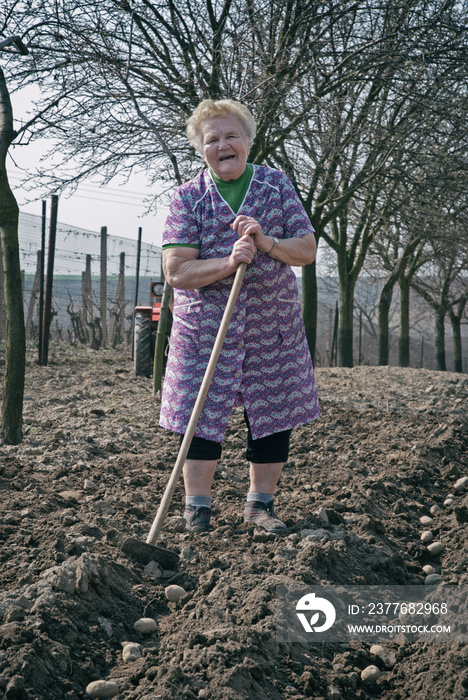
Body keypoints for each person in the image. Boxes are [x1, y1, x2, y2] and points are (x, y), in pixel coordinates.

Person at [160, 98, 320, 534]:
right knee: (201, 414)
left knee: (273, 412)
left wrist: (266, 242)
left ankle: (259, 507)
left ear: (248, 141)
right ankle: (197, 509)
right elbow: (176, 271)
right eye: (212, 139)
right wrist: (229, 263)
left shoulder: (275, 186)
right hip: (206, 330)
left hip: (272, 324)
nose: (223, 145)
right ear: (201, 149)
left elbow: (305, 250)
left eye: (232, 135)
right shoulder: (188, 198)